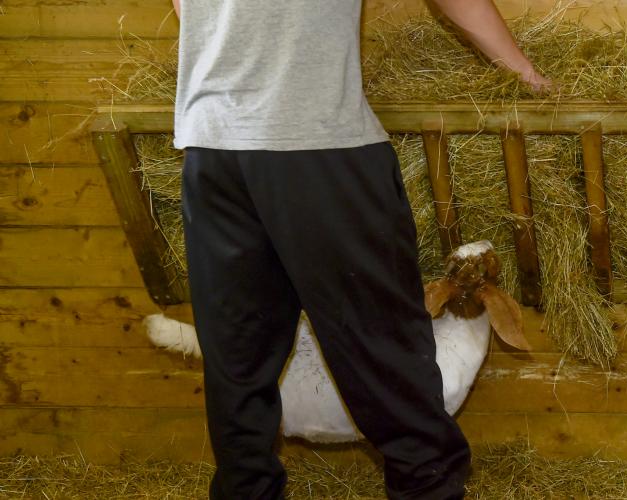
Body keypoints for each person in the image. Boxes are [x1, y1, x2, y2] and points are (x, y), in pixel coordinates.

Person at [169, 0, 550, 497]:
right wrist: (528, 74)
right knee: (382, 350)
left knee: (237, 357)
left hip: (214, 145)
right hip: (317, 143)